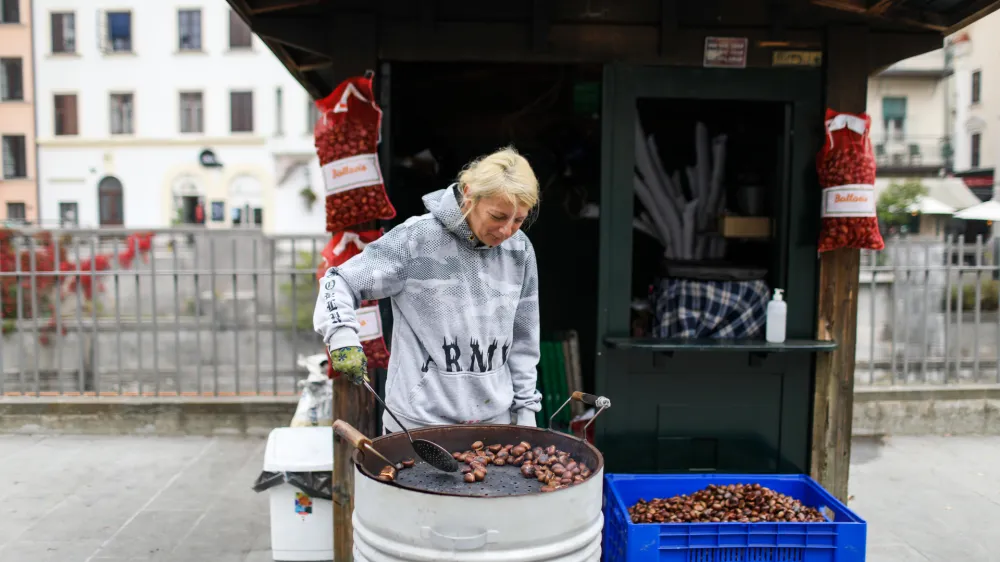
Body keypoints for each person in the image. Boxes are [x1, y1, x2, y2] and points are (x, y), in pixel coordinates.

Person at [314, 146, 542, 432]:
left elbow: (525, 338)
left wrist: (526, 409)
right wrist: (342, 334)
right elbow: (339, 281)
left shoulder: (520, 250)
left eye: (518, 219)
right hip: (417, 425)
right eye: (498, 216)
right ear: (469, 194)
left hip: (494, 423)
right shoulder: (417, 239)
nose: (507, 230)